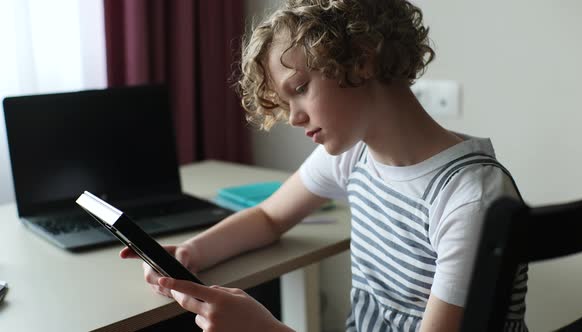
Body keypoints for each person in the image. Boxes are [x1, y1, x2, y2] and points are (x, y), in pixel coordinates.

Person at [121, 0, 529, 331]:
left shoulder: (470, 199)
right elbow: (268, 217)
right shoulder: (355, 155)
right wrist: (192, 252)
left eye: (299, 89)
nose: (294, 117)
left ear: (363, 60)